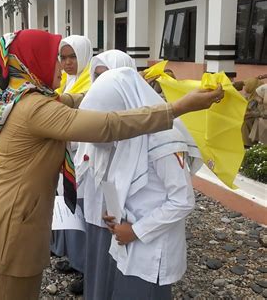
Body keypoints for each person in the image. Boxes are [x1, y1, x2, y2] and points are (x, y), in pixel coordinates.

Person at [0, 29, 224, 299]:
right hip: (12, 215)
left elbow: (73, 99)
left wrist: (123, 84)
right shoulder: (35, 107)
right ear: (35, 61)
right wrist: (176, 108)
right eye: (54, 58)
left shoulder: (26, 97)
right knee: (7, 291)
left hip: (8, 207)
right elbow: (108, 125)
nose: (62, 67)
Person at [78, 67, 202, 299]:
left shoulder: (164, 138)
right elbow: (124, 180)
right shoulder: (127, 134)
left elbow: (182, 201)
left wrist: (136, 231)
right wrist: (113, 212)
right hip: (127, 240)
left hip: (151, 250)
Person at [73, 49, 137, 300]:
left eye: (107, 75)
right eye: (96, 76)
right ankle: (95, 285)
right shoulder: (95, 109)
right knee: (97, 238)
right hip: (96, 181)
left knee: (113, 238)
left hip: (117, 189)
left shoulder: (141, 115)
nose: (101, 83)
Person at [51, 35, 92, 295]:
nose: (66, 63)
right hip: (67, 155)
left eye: (72, 57)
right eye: (63, 58)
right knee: (70, 206)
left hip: (83, 155)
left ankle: (88, 268)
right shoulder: (67, 82)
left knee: (87, 212)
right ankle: (75, 259)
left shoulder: (93, 83)